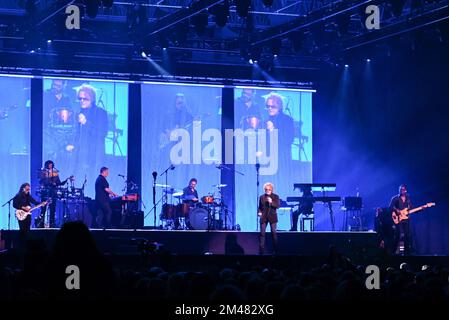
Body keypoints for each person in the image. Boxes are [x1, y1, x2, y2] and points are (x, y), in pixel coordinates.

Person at [66, 85, 108, 183]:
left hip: (94, 154)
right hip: (79, 154)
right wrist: (70, 144)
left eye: (85, 99)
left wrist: (86, 122)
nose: (82, 101)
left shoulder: (100, 113)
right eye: (80, 98)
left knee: (92, 181)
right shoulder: (78, 112)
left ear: (92, 99)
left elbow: (102, 134)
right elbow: (75, 133)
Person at [36, 160, 72, 228]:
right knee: (43, 208)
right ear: (46, 165)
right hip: (45, 193)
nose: (51, 166)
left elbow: (58, 183)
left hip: (53, 193)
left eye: (51, 165)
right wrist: (48, 180)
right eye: (49, 165)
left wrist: (65, 180)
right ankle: (41, 223)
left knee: (53, 209)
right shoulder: (43, 172)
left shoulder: (55, 173)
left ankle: (52, 223)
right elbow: (41, 181)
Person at [389, 184, 414, 255]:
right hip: (397, 220)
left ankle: (407, 253)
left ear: (405, 190)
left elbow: (411, 209)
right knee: (398, 235)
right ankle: (393, 252)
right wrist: (397, 210)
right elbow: (390, 208)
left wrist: (421, 209)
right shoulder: (395, 198)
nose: (401, 191)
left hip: (406, 219)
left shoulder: (408, 199)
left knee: (407, 235)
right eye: (400, 189)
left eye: (402, 189)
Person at [258, 182, 280, 255]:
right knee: (262, 234)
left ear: (272, 190)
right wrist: (259, 212)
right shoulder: (262, 197)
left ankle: (276, 250)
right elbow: (260, 207)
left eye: (269, 189)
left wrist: (271, 202)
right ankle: (261, 251)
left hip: (272, 217)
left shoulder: (275, 197)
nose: (267, 190)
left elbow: (277, 206)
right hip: (264, 217)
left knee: (273, 233)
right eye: (266, 189)